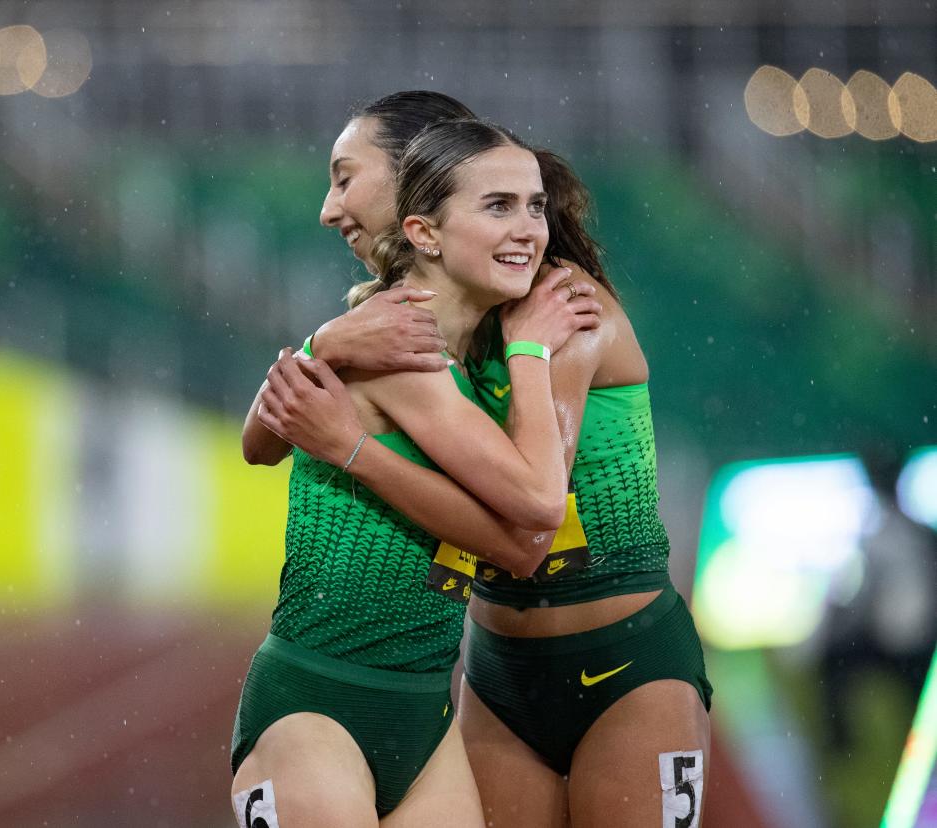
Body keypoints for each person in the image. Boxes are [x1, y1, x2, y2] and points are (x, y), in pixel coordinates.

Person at [255, 123, 714, 826]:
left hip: (628, 661)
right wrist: (325, 344)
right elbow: (260, 440)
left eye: (349, 179)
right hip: (495, 673)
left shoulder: (559, 306)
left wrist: (351, 440)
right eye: (502, 205)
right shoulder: (421, 328)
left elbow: (533, 522)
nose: (333, 208)